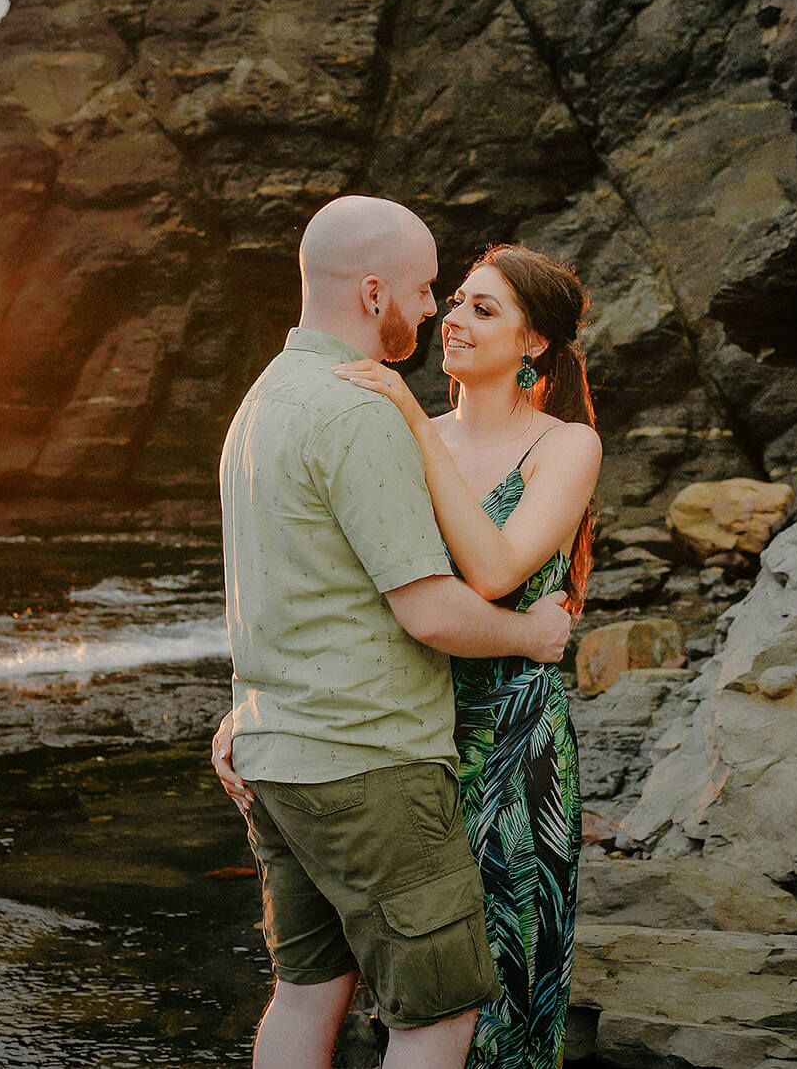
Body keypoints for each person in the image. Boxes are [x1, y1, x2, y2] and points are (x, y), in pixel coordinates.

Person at [220, 238, 602, 1069]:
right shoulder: (402, 425)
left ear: (533, 343)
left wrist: (404, 415)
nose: (455, 320)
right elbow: (329, 590)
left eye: (483, 308)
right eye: (457, 299)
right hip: (398, 736)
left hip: (506, 744)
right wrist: (247, 706)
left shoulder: (563, 446)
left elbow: (496, 569)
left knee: (503, 977)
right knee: (404, 991)